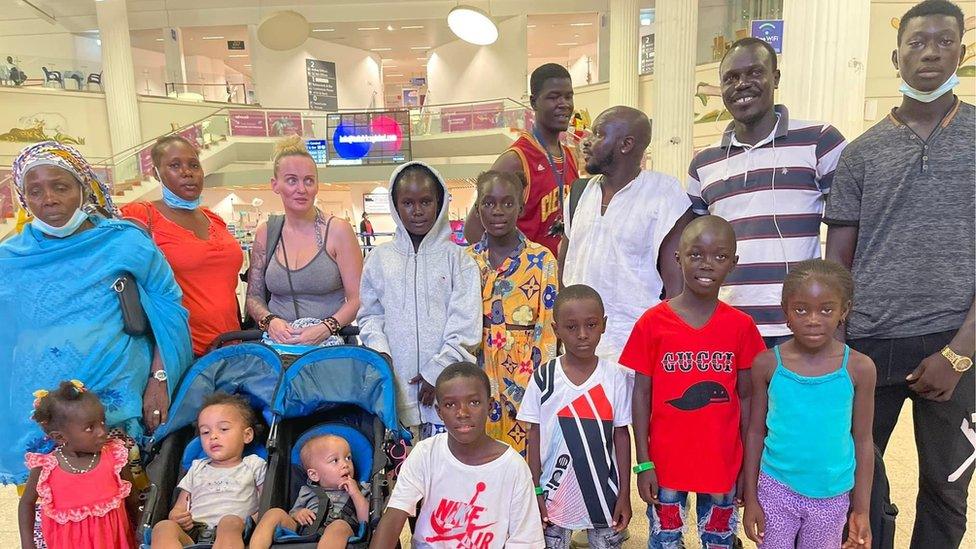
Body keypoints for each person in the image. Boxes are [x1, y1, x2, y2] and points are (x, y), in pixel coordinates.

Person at [823, 1, 975, 546]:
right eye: (916, 42)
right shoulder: (862, 153)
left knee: (945, 485)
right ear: (896, 56)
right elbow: (838, 260)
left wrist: (960, 353)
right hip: (870, 344)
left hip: (957, 342)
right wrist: (839, 350)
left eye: (942, 40)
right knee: (860, 484)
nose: (929, 51)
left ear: (962, 49)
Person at [0, 141, 192, 487]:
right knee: (53, 513)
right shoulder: (11, 259)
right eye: (35, 191)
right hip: (43, 416)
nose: (49, 199)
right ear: (23, 198)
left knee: (122, 510)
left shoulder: (125, 243)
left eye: (61, 186)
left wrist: (159, 380)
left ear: (83, 188)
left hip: (113, 409)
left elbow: (170, 310)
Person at [687, 37, 847, 348]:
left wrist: (837, 321)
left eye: (754, 73)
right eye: (731, 78)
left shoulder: (819, 141)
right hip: (729, 326)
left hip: (802, 326)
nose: (742, 84)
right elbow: (696, 250)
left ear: (775, 78)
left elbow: (847, 232)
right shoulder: (703, 163)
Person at [619, 216, 765, 549]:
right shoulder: (652, 323)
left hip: (723, 464)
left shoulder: (741, 326)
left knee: (719, 541)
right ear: (678, 257)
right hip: (666, 466)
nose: (707, 264)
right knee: (666, 541)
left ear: (733, 263)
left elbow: (747, 400)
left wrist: (746, 468)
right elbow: (640, 395)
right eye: (696, 254)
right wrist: (644, 462)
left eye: (720, 256)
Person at [741, 260, 876, 549]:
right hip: (776, 489)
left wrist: (861, 509)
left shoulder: (859, 368)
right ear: (786, 312)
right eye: (801, 309)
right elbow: (754, 432)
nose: (813, 319)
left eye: (826, 309)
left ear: (844, 311)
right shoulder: (766, 364)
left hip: (831, 496)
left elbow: (863, 440)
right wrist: (751, 497)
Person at [358, 161, 481, 438]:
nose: (417, 211)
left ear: (439, 203)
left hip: (446, 395)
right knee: (403, 475)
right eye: (408, 203)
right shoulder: (379, 259)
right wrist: (382, 356)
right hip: (395, 391)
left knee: (445, 472)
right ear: (395, 205)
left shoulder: (458, 260)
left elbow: (466, 326)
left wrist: (438, 371)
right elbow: (369, 316)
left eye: (426, 201)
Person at [561, 106, 692, 365]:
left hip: (636, 352)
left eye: (598, 134)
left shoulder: (664, 193)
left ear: (626, 144)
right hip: (578, 354)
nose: (586, 142)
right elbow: (565, 268)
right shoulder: (578, 193)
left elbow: (677, 286)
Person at [369, 362, 544, 548]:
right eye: (450, 404)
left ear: (490, 406)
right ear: (439, 412)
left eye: (474, 402)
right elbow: (394, 517)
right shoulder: (425, 454)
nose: (462, 413)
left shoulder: (514, 468)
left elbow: (525, 542)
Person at [518, 285, 632, 548]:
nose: (582, 335)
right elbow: (532, 435)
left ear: (603, 325)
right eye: (571, 327)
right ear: (556, 329)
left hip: (605, 496)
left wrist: (625, 493)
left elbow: (622, 435)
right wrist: (535, 489)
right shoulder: (544, 377)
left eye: (591, 325)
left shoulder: (615, 377)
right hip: (552, 494)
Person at [122, 135, 244, 357]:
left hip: (231, 346)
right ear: (156, 173)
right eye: (175, 165)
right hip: (179, 352)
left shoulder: (213, 219)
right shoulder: (140, 215)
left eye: (193, 165)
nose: (187, 173)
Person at [467, 170, 558, 455]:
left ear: (520, 206)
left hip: (525, 377)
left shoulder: (542, 259)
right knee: (478, 463)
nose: (498, 211)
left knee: (524, 465)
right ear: (478, 207)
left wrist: (526, 386)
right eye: (489, 203)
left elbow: (548, 328)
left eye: (507, 203)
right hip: (476, 378)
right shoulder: (465, 261)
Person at [246, 136, 363, 348]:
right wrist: (270, 321)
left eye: (308, 180)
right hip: (278, 347)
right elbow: (253, 297)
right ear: (275, 185)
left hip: (330, 344)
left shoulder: (338, 230)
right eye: (292, 180)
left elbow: (357, 298)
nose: (301, 189)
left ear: (317, 185)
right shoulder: (266, 232)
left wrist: (325, 328)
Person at [464, 63, 579, 256]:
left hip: (559, 278)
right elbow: (472, 230)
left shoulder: (570, 156)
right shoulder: (516, 159)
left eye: (568, 96)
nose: (564, 103)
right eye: (553, 97)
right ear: (534, 103)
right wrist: (511, 273)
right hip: (527, 282)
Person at [18, 381, 139, 549]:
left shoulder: (115, 457)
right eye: (90, 428)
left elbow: (132, 499)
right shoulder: (45, 468)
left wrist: (141, 531)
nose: (102, 431)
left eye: (102, 422)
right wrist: (27, 543)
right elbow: (26, 504)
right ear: (60, 437)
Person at [151, 393, 266, 549]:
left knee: (229, 522)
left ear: (247, 435)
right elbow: (180, 506)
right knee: (163, 527)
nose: (213, 436)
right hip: (195, 532)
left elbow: (266, 503)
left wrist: (254, 520)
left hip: (238, 529)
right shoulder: (197, 467)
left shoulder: (253, 464)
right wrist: (177, 516)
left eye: (223, 429)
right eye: (205, 432)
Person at [251, 434, 368, 549]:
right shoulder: (307, 491)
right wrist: (298, 514)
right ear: (314, 474)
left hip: (341, 530)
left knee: (338, 526)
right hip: (306, 529)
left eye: (348, 458)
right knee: (274, 513)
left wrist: (355, 494)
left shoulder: (360, 489)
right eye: (335, 460)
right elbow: (293, 514)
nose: (345, 465)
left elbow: (365, 520)